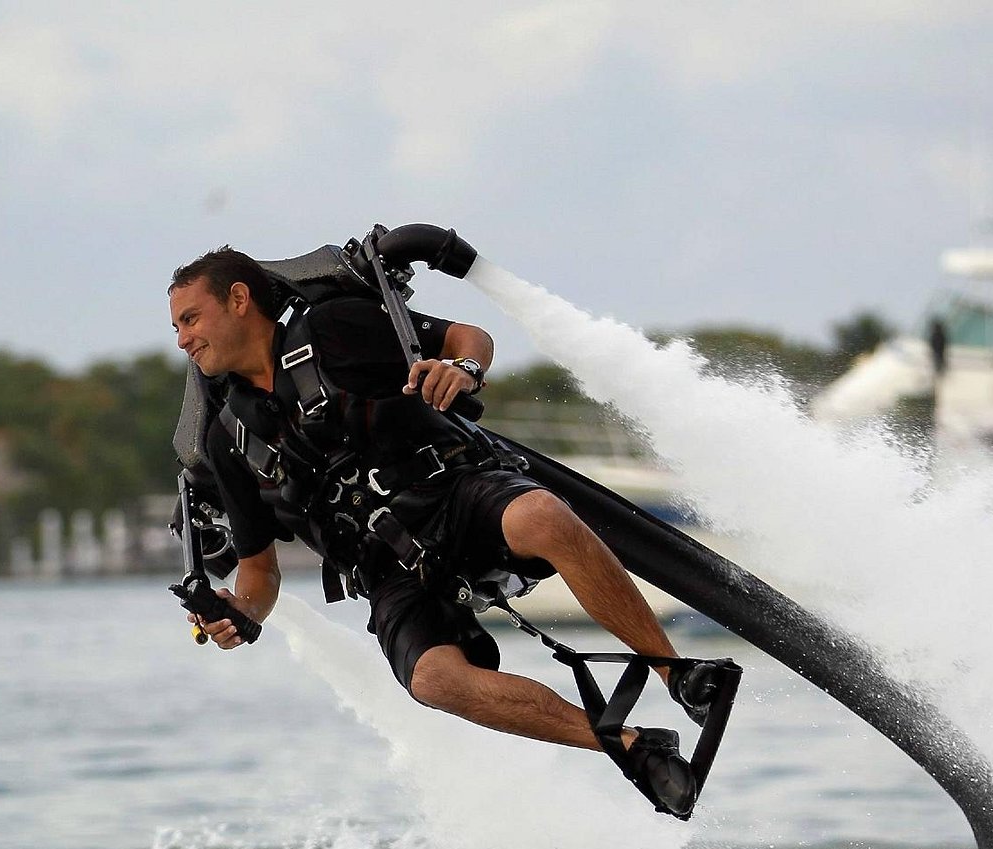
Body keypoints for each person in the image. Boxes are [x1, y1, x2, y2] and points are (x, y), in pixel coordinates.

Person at [168, 246, 722, 818]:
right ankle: (633, 749)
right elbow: (259, 571)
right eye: (177, 327)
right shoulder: (226, 439)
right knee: (433, 680)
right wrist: (240, 612)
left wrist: (463, 370)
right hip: (384, 568)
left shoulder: (334, 329)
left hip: (451, 494)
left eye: (191, 319)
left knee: (543, 518)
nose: (183, 340)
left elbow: (467, 337)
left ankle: (678, 675)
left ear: (238, 300)